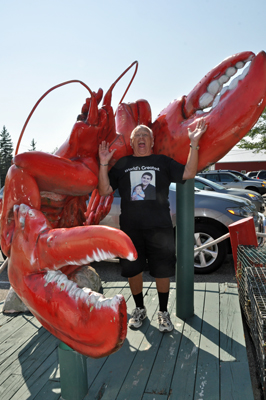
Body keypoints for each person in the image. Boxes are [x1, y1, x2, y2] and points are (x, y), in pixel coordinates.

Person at [98, 119, 207, 332]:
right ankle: (139, 309)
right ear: (131, 142)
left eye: (144, 135)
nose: (141, 138)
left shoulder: (162, 162)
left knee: (162, 271)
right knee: (133, 270)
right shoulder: (123, 164)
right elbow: (104, 190)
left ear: (152, 141)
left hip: (160, 228)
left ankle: (163, 312)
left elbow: (188, 173)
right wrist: (103, 164)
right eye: (137, 135)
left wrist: (194, 144)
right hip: (131, 229)